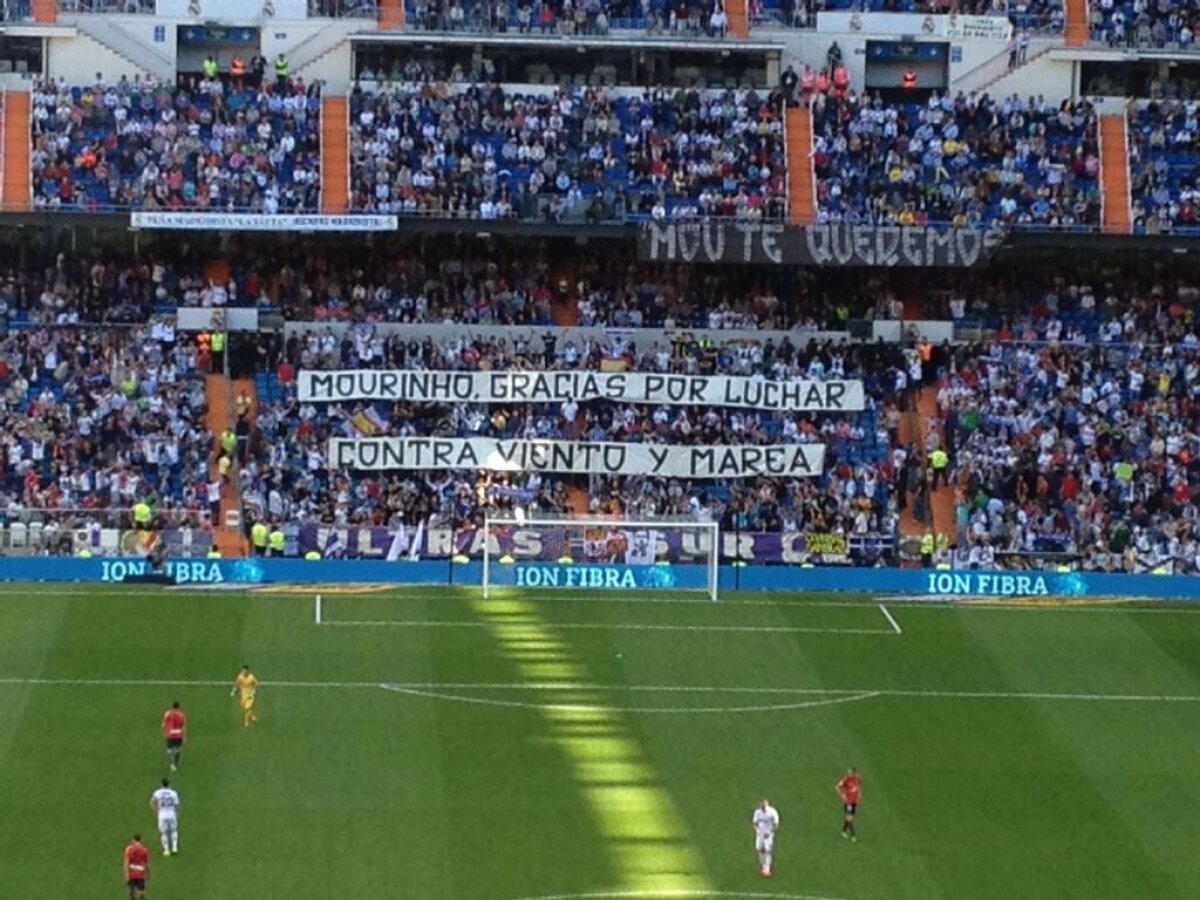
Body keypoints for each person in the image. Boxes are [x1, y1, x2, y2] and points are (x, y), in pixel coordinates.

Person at [149, 778, 180, 857]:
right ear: (169, 784)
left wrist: (156, 811)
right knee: (174, 830)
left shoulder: (158, 792)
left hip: (162, 814)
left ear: (161, 784)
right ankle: (174, 848)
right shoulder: (173, 793)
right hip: (171, 813)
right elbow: (176, 805)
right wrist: (177, 814)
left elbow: (152, 802)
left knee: (164, 833)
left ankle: (166, 850)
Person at [752, 798, 780, 878]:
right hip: (760, 834)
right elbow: (755, 823)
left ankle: (767, 869)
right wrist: (757, 831)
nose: (763, 808)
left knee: (767, 850)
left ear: (767, 805)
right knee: (759, 849)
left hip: (768, 834)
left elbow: (776, 824)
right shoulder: (757, 812)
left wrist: (770, 832)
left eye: (764, 806)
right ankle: (763, 866)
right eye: (762, 806)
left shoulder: (772, 812)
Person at [837, 767, 862, 841]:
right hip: (848, 802)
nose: (848, 774)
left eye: (850, 772)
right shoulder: (845, 779)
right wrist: (842, 795)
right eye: (848, 772)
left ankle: (843, 832)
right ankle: (853, 835)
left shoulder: (857, 778)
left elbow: (859, 786)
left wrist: (859, 795)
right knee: (850, 818)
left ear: (854, 773)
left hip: (854, 802)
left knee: (849, 818)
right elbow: (837, 787)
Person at [161, 702, 187, 773]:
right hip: (179, 735)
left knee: (169, 750)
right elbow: (184, 726)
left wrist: (165, 732)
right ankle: (176, 764)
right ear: (179, 707)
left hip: (170, 735)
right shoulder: (182, 714)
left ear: (172, 706)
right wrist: (184, 736)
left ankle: (172, 765)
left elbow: (163, 725)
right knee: (178, 750)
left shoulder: (167, 713)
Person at [123, 834, 150, 899]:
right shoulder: (145, 850)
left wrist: (126, 875)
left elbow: (126, 863)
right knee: (141, 894)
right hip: (140, 874)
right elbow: (147, 864)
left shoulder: (129, 849)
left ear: (133, 840)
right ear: (140, 840)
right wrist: (148, 873)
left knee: (132, 893)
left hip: (131, 874)